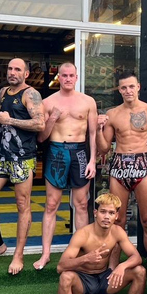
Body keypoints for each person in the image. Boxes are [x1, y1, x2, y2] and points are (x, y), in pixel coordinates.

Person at [0, 58, 45, 275]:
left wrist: (11, 121)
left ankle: (18, 254)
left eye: (18, 69)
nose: (12, 72)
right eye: (10, 68)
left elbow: (40, 124)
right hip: (2, 156)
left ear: (26, 74)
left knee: (22, 205)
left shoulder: (30, 94)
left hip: (23, 158)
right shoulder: (3, 92)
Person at [95, 71, 147, 257]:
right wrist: (97, 129)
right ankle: (113, 265)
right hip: (119, 165)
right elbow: (104, 148)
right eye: (124, 87)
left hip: (142, 163)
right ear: (119, 90)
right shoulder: (113, 114)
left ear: (138, 87)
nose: (128, 90)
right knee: (117, 220)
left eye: (131, 86)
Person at [54, 193, 147, 294]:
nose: (106, 217)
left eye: (111, 213)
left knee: (140, 271)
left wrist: (121, 266)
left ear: (116, 216)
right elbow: (60, 266)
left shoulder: (117, 232)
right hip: (82, 280)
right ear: (95, 213)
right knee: (65, 277)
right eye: (103, 212)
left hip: (105, 279)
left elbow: (136, 257)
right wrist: (86, 258)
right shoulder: (82, 234)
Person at [34, 63, 98, 271]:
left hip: (80, 152)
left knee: (81, 204)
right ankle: (46, 254)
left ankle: (83, 252)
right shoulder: (47, 102)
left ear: (77, 77)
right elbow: (41, 137)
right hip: (56, 151)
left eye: (71, 75)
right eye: (64, 75)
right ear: (58, 77)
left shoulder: (88, 101)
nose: (68, 78)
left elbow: (92, 134)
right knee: (51, 204)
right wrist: (52, 118)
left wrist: (92, 160)